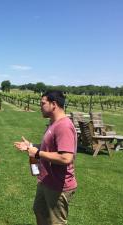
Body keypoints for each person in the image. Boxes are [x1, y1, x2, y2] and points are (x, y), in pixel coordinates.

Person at [14, 90, 77, 225]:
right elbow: (48, 148)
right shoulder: (53, 123)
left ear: (53, 104)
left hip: (59, 186)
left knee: (55, 222)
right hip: (46, 181)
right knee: (40, 211)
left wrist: (37, 153)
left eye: (43, 103)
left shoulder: (64, 126)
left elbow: (66, 157)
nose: (40, 107)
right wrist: (30, 146)